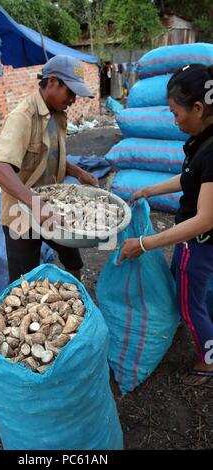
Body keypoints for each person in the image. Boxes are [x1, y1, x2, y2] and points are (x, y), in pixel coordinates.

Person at [119, 64, 213, 386]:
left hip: (199, 244)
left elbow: (205, 219)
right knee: (187, 290)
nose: (174, 121)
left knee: (190, 305)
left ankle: (208, 359)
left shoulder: (212, 150)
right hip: (197, 245)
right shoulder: (204, 140)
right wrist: (150, 189)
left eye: (176, 113)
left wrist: (144, 244)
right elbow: (189, 179)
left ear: (198, 108)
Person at [0, 55, 99, 285]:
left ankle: (78, 299)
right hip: (21, 212)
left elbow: (48, 156)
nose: (72, 99)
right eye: (69, 92)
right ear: (51, 81)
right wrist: (34, 202)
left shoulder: (57, 114)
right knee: (23, 281)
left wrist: (78, 172)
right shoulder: (23, 117)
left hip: (53, 206)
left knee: (73, 260)